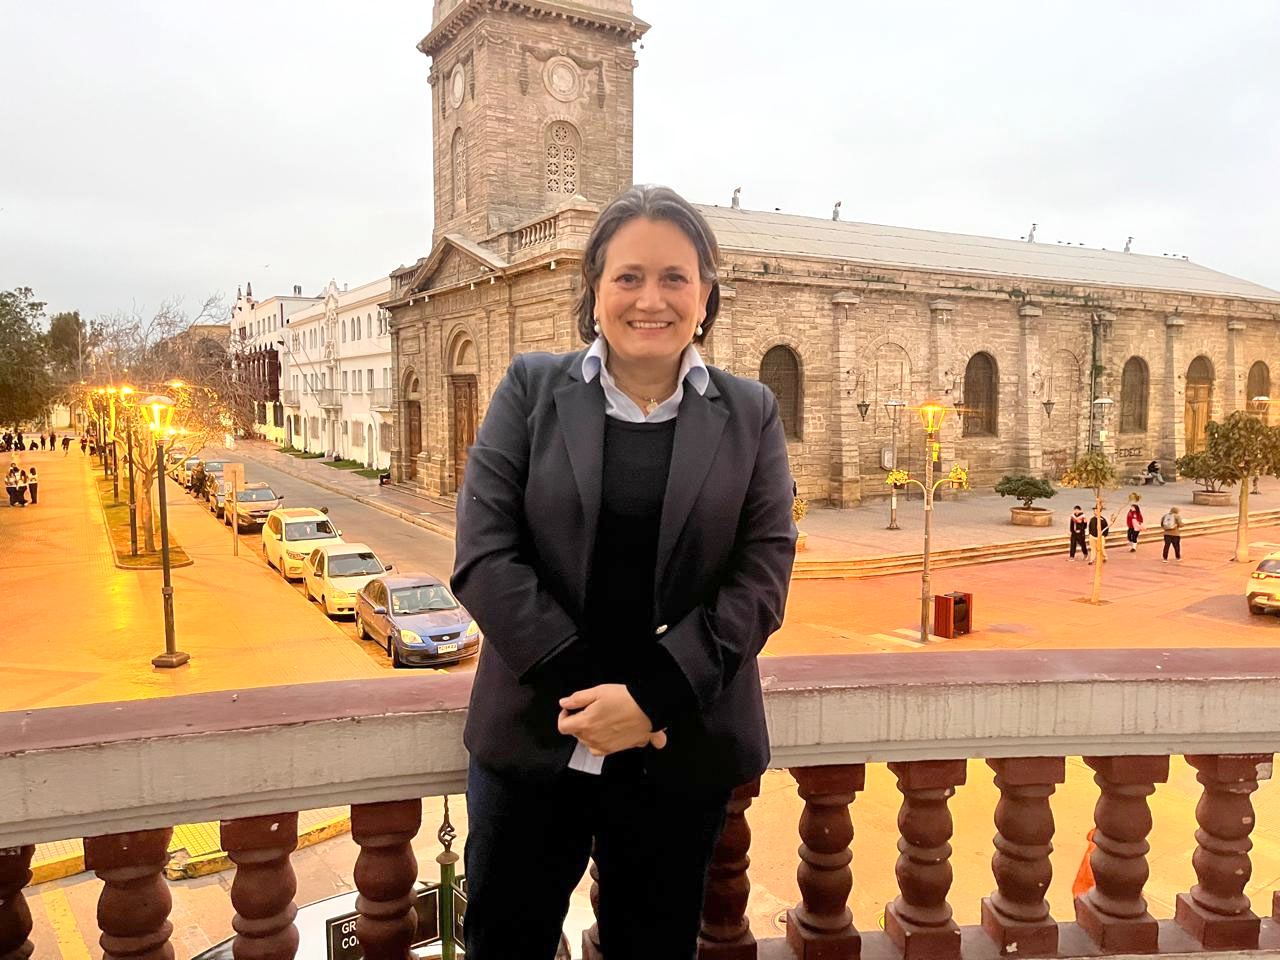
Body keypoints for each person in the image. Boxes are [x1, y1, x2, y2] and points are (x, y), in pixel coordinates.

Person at [451, 185, 797, 960]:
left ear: (705, 294)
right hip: (535, 737)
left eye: (675, 277)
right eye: (628, 277)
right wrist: (598, 698)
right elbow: (484, 554)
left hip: (679, 750)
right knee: (505, 943)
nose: (651, 299)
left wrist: (653, 699)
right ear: (596, 290)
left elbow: (764, 572)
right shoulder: (530, 389)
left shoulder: (750, 413)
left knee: (654, 946)